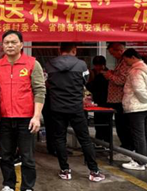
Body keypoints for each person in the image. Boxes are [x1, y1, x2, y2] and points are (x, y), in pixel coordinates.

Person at [0, 30, 46, 191]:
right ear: (2, 45)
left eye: (13, 42)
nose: (10, 45)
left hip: (26, 118)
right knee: (5, 155)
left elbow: (40, 90)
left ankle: (28, 190)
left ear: (21, 44)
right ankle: (8, 187)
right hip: (5, 118)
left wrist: (36, 116)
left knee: (27, 157)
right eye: (6, 42)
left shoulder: (32, 64)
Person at [45, 43, 105, 182]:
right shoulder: (81, 65)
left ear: (59, 50)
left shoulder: (49, 64)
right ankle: (94, 171)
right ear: (74, 50)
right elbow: (85, 81)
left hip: (56, 107)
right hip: (76, 107)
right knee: (84, 139)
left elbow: (46, 83)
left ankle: (65, 170)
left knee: (60, 138)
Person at [121, 49, 147, 171]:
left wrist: (146, 100)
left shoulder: (136, 71)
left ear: (132, 57)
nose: (125, 62)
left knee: (138, 135)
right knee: (145, 134)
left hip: (137, 106)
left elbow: (139, 89)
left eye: (126, 59)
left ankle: (139, 162)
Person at [103, 42, 134, 155]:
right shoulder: (120, 61)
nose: (112, 56)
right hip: (116, 98)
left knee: (123, 125)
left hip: (120, 98)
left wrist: (109, 76)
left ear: (120, 50)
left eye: (112, 53)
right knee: (120, 124)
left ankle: (127, 148)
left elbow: (122, 80)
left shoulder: (125, 62)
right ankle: (125, 147)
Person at [86, 55, 112, 144]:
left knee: (102, 123)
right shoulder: (108, 73)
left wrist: (90, 81)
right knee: (104, 123)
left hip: (103, 102)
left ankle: (102, 142)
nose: (96, 68)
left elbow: (93, 87)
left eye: (97, 65)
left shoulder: (102, 75)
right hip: (106, 101)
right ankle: (103, 141)